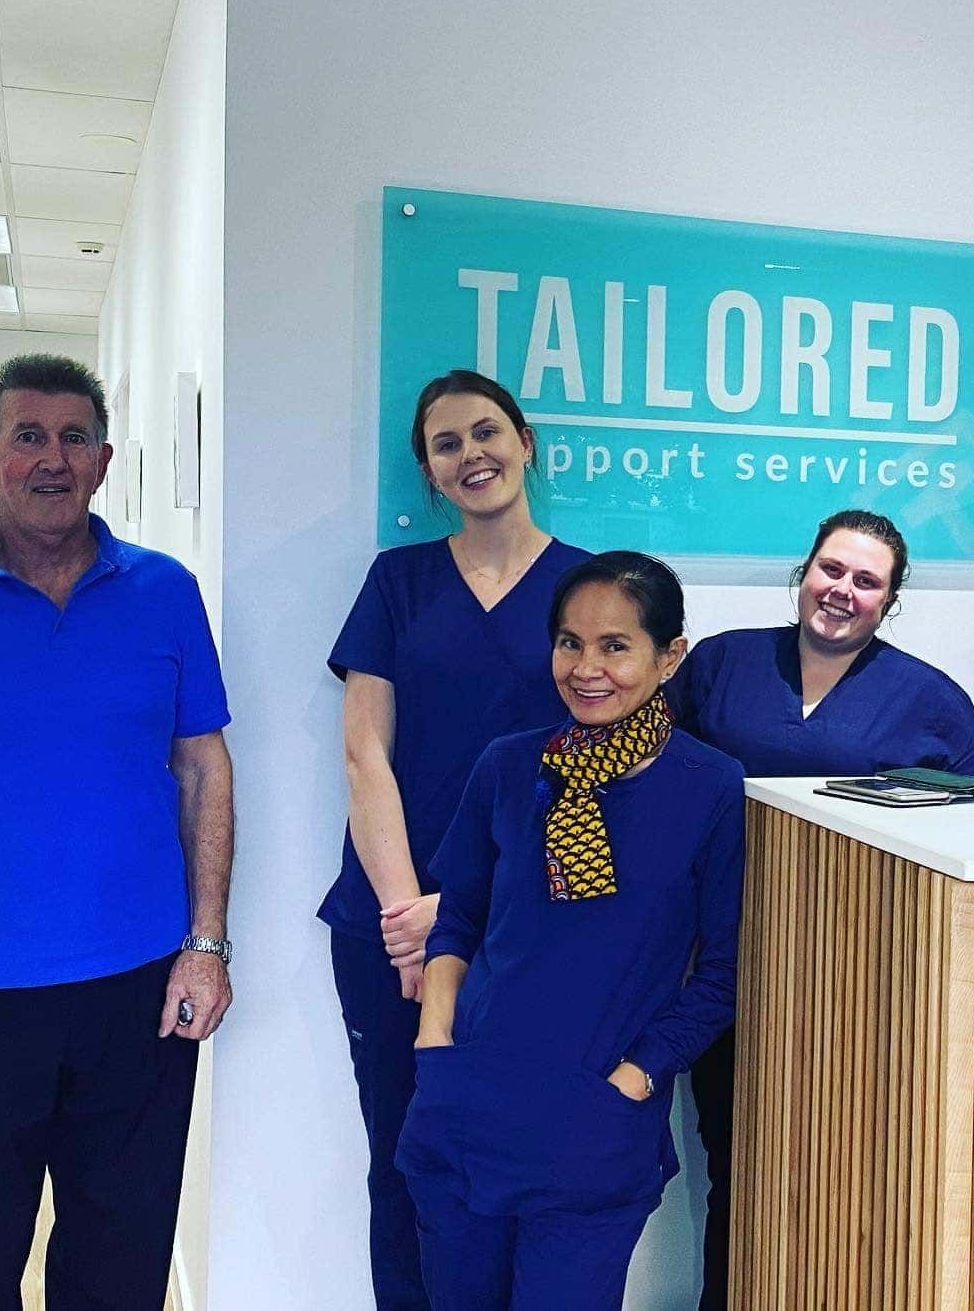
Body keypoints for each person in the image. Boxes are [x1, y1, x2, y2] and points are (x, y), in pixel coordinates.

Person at [667, 506, 974, 1310]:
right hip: (728, 966)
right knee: (736, 1160)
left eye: (866, 581)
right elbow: (655, 773)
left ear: (890, 599)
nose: (842, 591)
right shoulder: (721, 665)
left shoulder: (928, 698)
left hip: (858, 975)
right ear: (804, 570)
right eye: (832, 570)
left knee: (842, 1170)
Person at [395, 551, 745, 1311]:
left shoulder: (709, 786)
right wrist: (434, 1039)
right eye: (569, 642)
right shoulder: (510, 765)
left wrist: (637, 1076)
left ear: (669, 656)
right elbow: (459, 916)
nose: (587, 668)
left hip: (594, 1127)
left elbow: (722, 974)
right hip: (468, 1108)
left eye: (615, 645)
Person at [0, 354, 234, 1310]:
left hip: (140, 990)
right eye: (27, 436)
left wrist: (206, 944)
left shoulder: (163, 591)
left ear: (105, 458)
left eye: (73, 438)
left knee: (120, 1267)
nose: (52, 458)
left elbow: (203, 766)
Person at [322, 369, 589, 1309]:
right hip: (385, 928)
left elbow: (595, 775)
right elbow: (365, 753)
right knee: (405, 1157)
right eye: (446, 444)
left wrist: (464, 919)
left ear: (527, 444)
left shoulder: (589, 589)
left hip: (530, 929)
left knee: (523, 1165)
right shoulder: (398, 581)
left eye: (486, 432)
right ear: (430, 476)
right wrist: (411, 919)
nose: (470, 453)